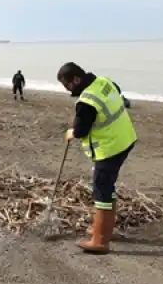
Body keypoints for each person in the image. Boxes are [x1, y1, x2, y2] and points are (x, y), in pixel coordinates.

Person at [57, 62, 137, 254]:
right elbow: (116, 91)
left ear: (76, 80)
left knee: (102, 192)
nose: (67, 90)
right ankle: (105, 229)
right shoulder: (103, 82)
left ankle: (100, 241)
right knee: (107, 189)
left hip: (110, 149)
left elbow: (81, 130)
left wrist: (72, 131)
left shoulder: (86, 102)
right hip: (125, 139)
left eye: (67, 85)